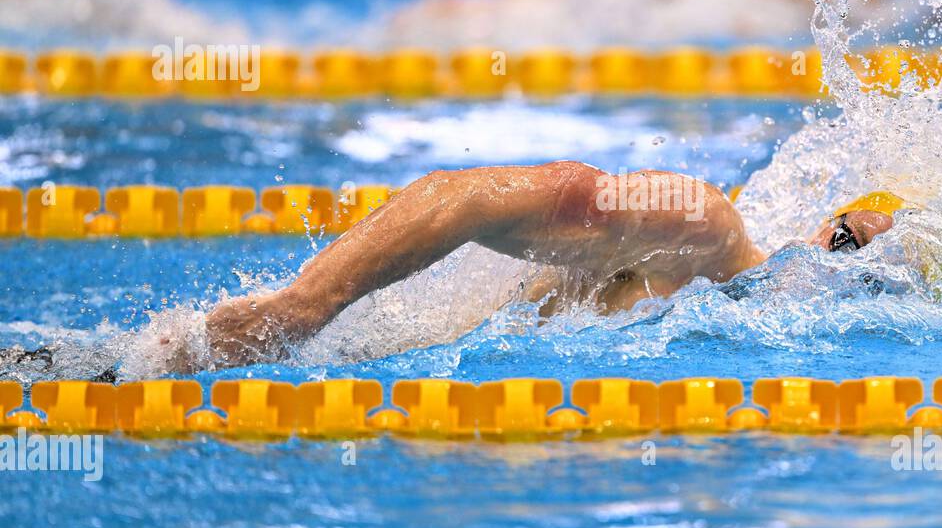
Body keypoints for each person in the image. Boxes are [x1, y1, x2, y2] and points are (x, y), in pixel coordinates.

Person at [200, 161, 895, 368]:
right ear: (821, 224)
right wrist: (304, 306)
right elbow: (467, 196)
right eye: (848, 244)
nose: (841, 279)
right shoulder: (702, 225)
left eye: (873, 282)